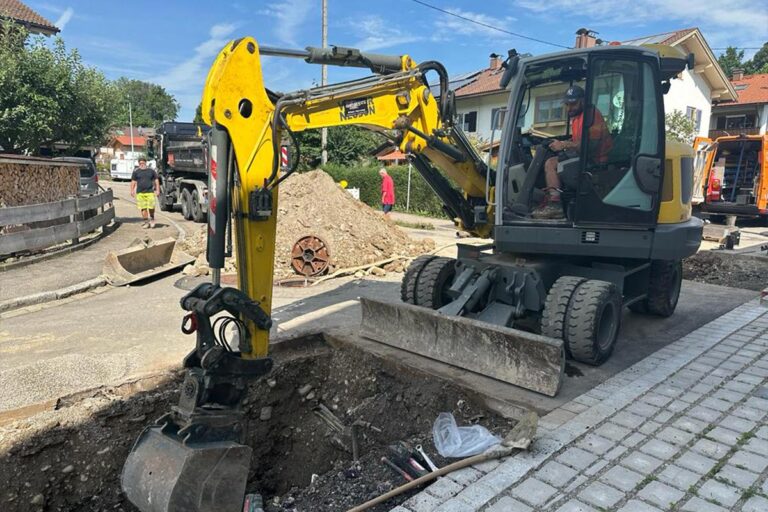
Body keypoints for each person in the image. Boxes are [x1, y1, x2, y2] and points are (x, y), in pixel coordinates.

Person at [533, 85, 613, 219]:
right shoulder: (578, 117)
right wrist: (562, 142)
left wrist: (563, 145)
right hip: (586, 157)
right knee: (555, 159)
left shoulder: (591, 116)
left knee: (551, 164)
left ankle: (555, 205)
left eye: (573, 104)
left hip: (596, 161)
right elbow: (578, 139)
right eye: (567, 104)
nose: (569, 108)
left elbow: (590, 146)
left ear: (583, 101)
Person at [130, 157, 160, 228]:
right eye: (140, 163)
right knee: (143, 208)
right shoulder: (136, 171)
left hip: (150, 192)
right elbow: (133, 181)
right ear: (138, 163)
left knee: (151, 207)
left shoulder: (151, 170)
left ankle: (152, 219)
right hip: (140, 193)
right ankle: (146, 222)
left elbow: (156, 180)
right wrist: (132, 190)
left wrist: (158, 190)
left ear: (145, 163)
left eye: (143, 163)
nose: (142, 164)